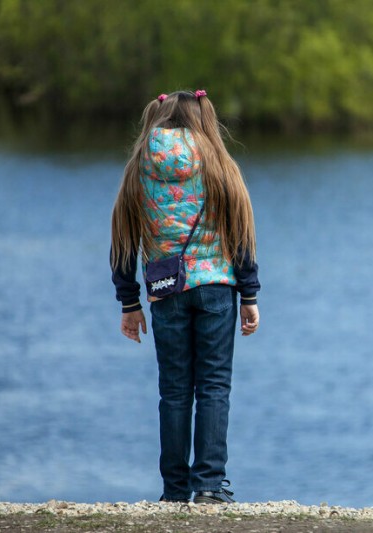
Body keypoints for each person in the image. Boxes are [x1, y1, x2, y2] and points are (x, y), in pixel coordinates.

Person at [109, 89, 260, 504]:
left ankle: (174, 491)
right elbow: (241, 234)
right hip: (216, 288)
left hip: (166, 293)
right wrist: (249, 295)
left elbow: (123, 243)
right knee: (213, 386)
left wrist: (129, 303)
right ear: (203, 116)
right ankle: (209, 486)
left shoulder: (139, 168)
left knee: (174, 391)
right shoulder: (219, 163)